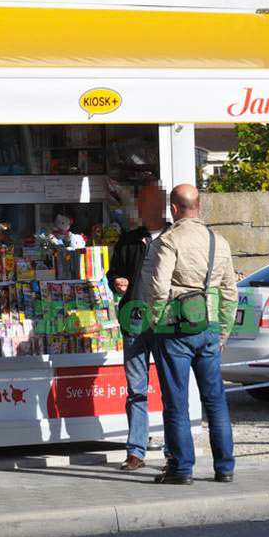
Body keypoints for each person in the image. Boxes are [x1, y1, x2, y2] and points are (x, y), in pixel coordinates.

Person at [142, 184, 238, 485]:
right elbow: (230, 291)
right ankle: (224, 468)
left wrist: (157, 321)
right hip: (208, 326)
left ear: (173, 209)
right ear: (199, 206)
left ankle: (182, 469)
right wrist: (223, 332)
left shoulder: (168, 241)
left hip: (174, 329)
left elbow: (157, 289)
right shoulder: (219, 242)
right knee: (216, 401)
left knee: (176, 401)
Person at [107, 184, 169, 471]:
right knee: (136, 389)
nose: (141, 209)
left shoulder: (174, 237)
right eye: (140, 204)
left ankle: (174, 450)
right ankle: (136, 451)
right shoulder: (129, 240)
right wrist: (117, 281)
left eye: (146, 203)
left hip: (166, 321)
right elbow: (114, 271)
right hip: (133, 319)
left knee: (171, 388)